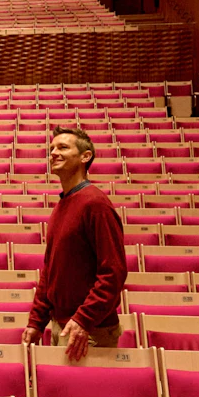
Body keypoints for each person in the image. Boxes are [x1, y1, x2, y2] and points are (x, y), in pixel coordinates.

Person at [23, 126, 127, 361]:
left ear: (85, 156)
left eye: (62, 147)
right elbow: (50, 271)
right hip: (63, 326)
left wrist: (83, 319)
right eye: (51, 148)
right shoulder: (62, 205)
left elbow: (113, 272)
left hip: (89, 331)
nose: (53, 153)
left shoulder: (96, 204)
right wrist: (36, 322)